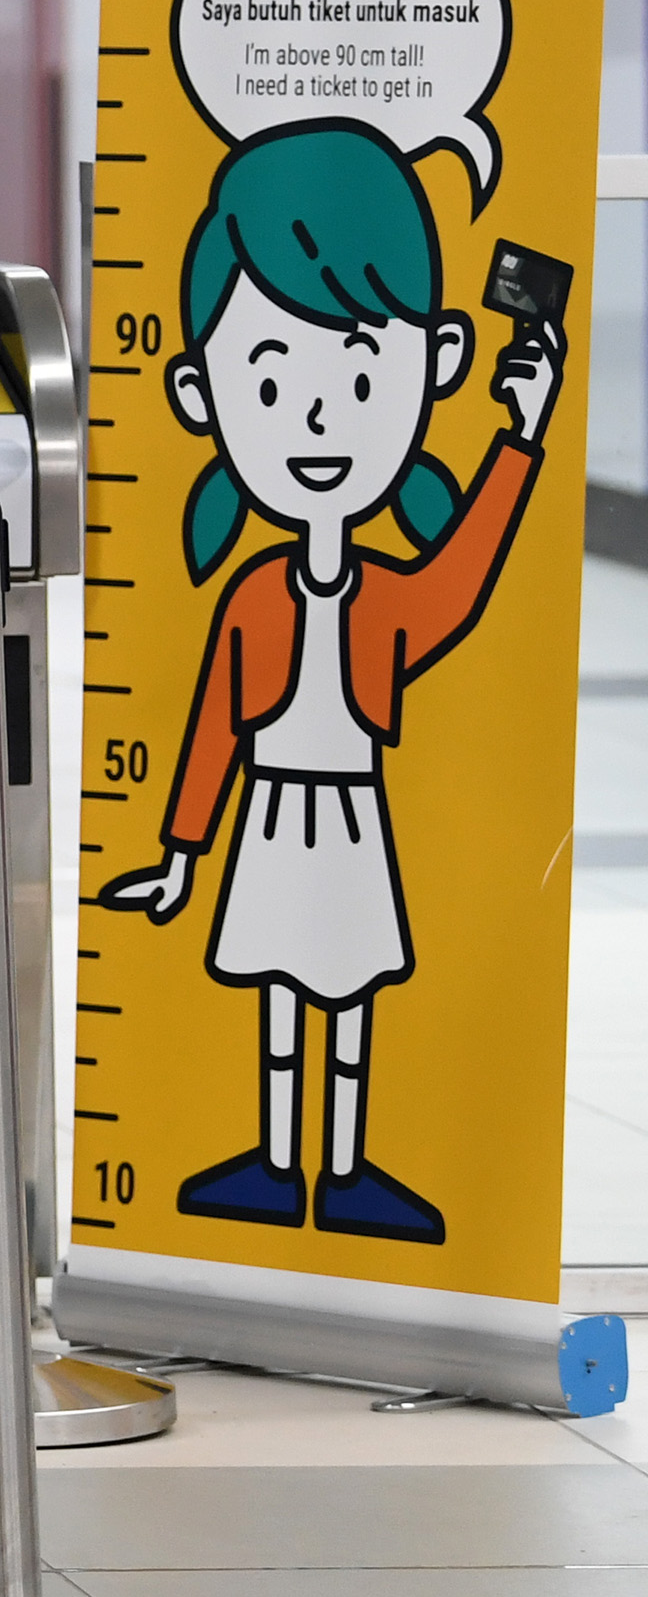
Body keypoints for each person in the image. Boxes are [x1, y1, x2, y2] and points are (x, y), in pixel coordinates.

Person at [100, 118, 559, 1244]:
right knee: (274, 988)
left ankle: (343, 1167)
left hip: (348, 817)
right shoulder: (254, 598)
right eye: (268, 373)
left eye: (360, 370)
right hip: (271, 813)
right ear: (199, 393)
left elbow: (458, 582)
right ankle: (272, 1160)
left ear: (436, 365)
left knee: (344, 993)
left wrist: (520, 440)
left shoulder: (388, 595)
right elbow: (213, 720)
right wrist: (179, 851)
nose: (314, 418)